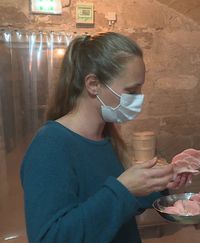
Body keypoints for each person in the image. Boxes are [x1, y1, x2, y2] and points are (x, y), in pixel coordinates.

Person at [20, 32, 190, 243]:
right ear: (93, 84)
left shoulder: (105, 138)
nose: (138, 99)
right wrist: (123, 190)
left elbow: (114, 210)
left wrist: (159, 184)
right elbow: (51, 237)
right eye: (131, 90)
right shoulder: (50, 145)